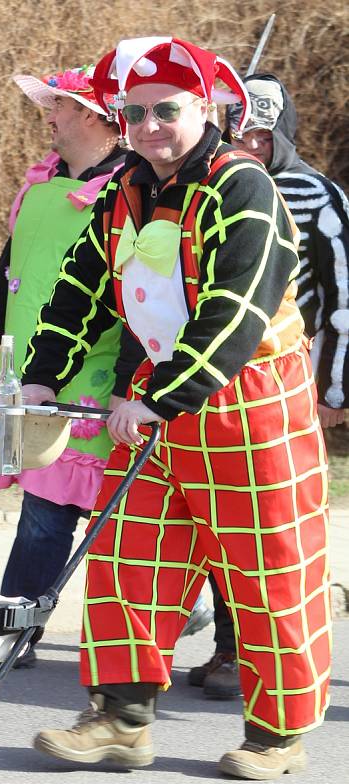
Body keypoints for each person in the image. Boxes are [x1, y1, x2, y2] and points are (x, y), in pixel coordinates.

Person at [20, 36, 331, 780]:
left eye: (166, 109)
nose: (150, 124)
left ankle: (276, 733)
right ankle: (120, 721)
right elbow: (79, 291)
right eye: (134, 112)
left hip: (247, 410)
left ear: (203, 109)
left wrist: (159, 398)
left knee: (267, 574)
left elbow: (235, 310)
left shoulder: (243, 188)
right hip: (151, 411)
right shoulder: (122, 190)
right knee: (129, 561)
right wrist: (41, 375)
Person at [0, 64, 139, 671]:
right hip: (32, 371)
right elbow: (8, 272)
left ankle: (15, 626)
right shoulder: (41, 184)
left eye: (58, 105)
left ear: (92, 115)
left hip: (96, 377)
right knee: (52, 502)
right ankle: (19, 625)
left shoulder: (129, 191)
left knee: (80, 508)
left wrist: (125, 386)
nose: (48, 115)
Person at [188, 72, 349, 700]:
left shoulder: (317, 196)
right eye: (237, 131)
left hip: (289, 384)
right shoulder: (209, 187)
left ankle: (275, 662)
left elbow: (340, 301)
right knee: (220, 525)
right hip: (213, 384)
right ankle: (228, 646)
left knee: (275, 529)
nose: (246, 145)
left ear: (278, 134)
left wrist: (333, 389)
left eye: (259, 135)